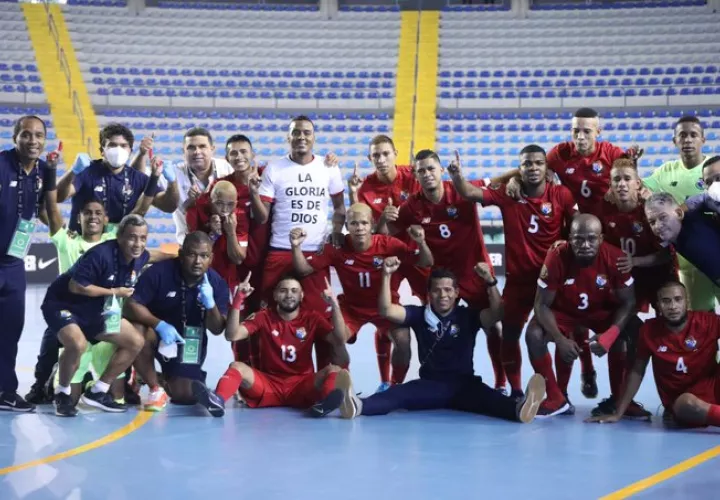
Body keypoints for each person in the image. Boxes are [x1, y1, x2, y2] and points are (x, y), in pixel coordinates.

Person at [335, 258, 545, 424]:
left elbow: (497, 313)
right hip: (429, 386)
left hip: (464, 386)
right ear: (429, 294)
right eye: (436, 290)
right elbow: (386, 310)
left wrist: (490, 282)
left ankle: (520, 410)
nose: (442, 295)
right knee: (397, 395)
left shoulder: (468, 316)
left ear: (456, 293)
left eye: (447, 290)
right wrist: (386, 275)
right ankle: (356, 405)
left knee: (492, 400)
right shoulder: (418, 314)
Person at [448, 146, 577, 398]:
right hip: (519, 282)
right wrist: (456, 176)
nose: (533, 168)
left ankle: (560, 393)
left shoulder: (561, 194)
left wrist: (564, 245)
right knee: (510, 334)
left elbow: (575, 231)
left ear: (546, 167)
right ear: (520, 168)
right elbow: (470, 193)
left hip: (551, 281)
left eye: (538, 163)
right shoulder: (508, 194)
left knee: (560, 334)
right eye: (526, 164)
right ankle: (516, 390)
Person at [383, 149, 505, 391]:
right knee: (435, 327)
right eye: (421, 171)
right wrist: (384, 219)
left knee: (493, 326)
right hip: (442, 281)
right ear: (415, 176)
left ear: (440, 170)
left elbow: (500, 180)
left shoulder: (462, 190)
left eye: (431, 169)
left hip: (474, 273)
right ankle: (411, 381)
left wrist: (526, 174)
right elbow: (387, 232)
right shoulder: (412, 206)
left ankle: (502, 383)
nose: (427, 174)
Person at [290, 203, 433, 391]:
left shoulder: (388, 244)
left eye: (364, 223)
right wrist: (295, 247)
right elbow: (303, 269)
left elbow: (426, 261)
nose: (359, 228)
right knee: (337, 338)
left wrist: (421, 242)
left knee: (403, 340)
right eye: (354, 223)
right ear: (346, 226)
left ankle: (395, 386)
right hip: (352, 309)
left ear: (372, 224)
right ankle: (345, 387)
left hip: (386, 307)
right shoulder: (337, 247)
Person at [527, 214, 646, 418]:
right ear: (569, 238)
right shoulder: (556, 256)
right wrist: (559, 338)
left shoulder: (616, 257)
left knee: (636, 331)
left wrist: (610, 334)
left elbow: (629, 302)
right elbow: (541, 304)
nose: (585, 244)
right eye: (578, 239)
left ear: (601, 238)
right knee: (534, 334)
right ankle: (556, 398)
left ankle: (620, 398)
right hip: (564, 312)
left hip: (601, 312)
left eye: (591, 238)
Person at [254, 116, 346, 368]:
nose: (301, 137)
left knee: (322, 321)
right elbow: (261, 215)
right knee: (270, 318)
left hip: (314, 255)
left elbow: (339, 207)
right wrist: (255, 192)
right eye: (296, 133)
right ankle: (269, 376)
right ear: (288, 138)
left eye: (307, 132)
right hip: (280, 252)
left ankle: (333, 378)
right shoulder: (275, 168)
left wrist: (336, 231)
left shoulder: (329, 168)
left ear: (314, 137)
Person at [191, 275, 352, 418]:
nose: (289, 294)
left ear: (302, 295)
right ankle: (217, 401)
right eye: (283, 290)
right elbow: (231, 335)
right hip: (268, 385)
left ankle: (325, 404)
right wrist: (238, 299)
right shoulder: (264, 316)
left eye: (294, 290)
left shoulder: (312, 319)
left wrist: (334, 305)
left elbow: (339, 339)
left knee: (334, 370)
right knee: (237, 366)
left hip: (301, 386)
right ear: (275, 295)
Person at [41, 215, 154, 416]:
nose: (138, 243)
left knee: (135, 341)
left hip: (94, 309)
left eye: (143, 238)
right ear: (119, 237)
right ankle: (62, 393)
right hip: (63, 304)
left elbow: (157, 255)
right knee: (77, 344)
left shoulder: (140, 255)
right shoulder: (101, 254)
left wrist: (180, 256)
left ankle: (98, 391)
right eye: (132, 237)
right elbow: (76, 286)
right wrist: (114, 292)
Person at [587, 282, 720, 429]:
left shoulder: (707, 321)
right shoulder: (648, 331)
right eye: (666, 301)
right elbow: (637, 372)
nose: (673, 306)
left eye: (678, 299)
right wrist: (619, 413)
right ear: (658, 305)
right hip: (681, 401)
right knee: (687, 403)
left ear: (686, 301)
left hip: (714, 388)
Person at [124, 231, 231, 411]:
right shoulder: (159, 272)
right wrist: (158, 324)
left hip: (190, 338)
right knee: (137, 330)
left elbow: (217, 329)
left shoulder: (217, 283)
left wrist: (211, 304)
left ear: (211, 258)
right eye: (192, 254)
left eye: (204, 256)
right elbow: (131, 305)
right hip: (156, 332)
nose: (198, 261)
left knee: (185, 395)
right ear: (181, 255)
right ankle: (155, 388)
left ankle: (152, 375)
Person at [0, 115, 55, 412]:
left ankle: (6, 391)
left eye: (38, 135)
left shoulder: (44, 171)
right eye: (26, 134)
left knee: (10, 330)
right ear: (15, 137)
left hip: (13, 264)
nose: (32, 140)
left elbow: (45, 212)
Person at [642, 116, 717, 311]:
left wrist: (682, 209)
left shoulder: (714, 169)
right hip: (688, 263)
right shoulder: (665, 171)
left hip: (715, 250)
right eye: (682, 135)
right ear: (675, 141)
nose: (688, 140)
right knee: (701, 320)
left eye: (693, 135)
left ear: (703, 139)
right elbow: (639, 188)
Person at [56, 123, 178, 233]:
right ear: (102, 150)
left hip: (118, 247)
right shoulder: (86, 171)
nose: (118, 150)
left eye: (123, 146)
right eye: (112, 145)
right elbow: (58, 196)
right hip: (81, 245)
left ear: (130, 151)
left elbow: (169, 206)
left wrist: (172, 181)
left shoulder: (138, 178)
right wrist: (73, 171)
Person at [348, 135, 427, 302]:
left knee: (431, 298)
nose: (381, 160)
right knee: (384, 304)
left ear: (395, 153)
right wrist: (353, 194)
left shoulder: (414, 176)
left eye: (386, 154)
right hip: (387, 253)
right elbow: (365, 228)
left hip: (416, 249)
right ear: (370, 158)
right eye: (376, 155)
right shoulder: (364, 187)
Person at [601, 159, 678, 315]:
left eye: (627, 179)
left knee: (667, 319)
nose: (622, 184)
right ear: (611, 185)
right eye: (617, 179)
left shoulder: (651, 211)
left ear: (637, 183)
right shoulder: (604, 210)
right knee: (624, 321)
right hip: (627, 275)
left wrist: (634, 261)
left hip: (659, 273)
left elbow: (666, 254)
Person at [132, 127, 233, 245]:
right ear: (183, 151)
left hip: (225, 244)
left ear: (212, 149)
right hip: (189, 247)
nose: (197, 151)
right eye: (191, 147)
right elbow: (136, 178)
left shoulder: (227, 168)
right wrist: (142, 153)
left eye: (202, 146)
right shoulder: (173, 172)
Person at [644, 192, 720, 294]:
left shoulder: (697, 246)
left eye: (663, 217)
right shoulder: (678, 228)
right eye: (652, 222)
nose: (657, 226)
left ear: (679, 214)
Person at [187, 181, 248, 290]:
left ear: (236, 203)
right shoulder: (198, 210)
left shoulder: (240, 217)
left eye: (230, 205)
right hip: (199, 276)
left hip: (227, 278)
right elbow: (193, 252)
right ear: (210, 201)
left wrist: (231, 232)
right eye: (219, 203)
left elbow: (238, 259)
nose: (224, 209)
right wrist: (213, 235)